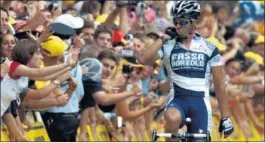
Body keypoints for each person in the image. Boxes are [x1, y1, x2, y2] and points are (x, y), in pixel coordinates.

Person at [136, 1, 234, 141]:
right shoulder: (168, 44)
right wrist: (162, 38)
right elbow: (143, 60)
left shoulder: (209, 47)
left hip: (200, 104)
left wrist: (226, 117)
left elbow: (219, 84)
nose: (177, 25)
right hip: (177, 100)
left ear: (193, 22)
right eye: (175, 21)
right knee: (172, 117)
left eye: (181, 22)